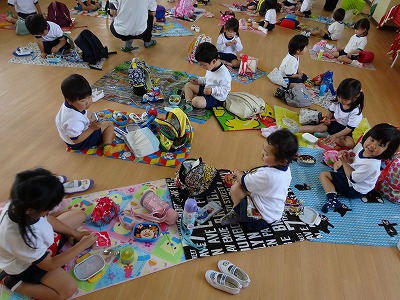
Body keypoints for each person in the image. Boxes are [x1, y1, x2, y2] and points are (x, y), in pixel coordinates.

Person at [0, 168, 97, 300]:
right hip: (25, 265)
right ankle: (11, 282)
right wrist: (81, 246)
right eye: (48, 209)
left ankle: (59, 240)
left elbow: (47, 219)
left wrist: (74, 233)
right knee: (68, 289)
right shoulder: (24, 239)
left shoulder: (19, 204)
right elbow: (50, 264)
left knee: (79, 214)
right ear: (32, 210)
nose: (49, 212)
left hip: (40, 249)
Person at [221, 129, 299, 231]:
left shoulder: (268, 175)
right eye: (263, 149)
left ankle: (238, 214)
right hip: (274, 213)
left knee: (236, 188)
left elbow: (244, 181)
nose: (262, 154)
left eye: (266, 154)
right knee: (246, 187)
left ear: (282, 161)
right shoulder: (286, 169)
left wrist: (238, 172)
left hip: (258, 221)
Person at [320, 123, 400, 213]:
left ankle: (333, 199)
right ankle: (335, 185)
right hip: (355, 175)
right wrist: (348, 158)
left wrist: (344, 162)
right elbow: (355, 161)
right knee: (337, 164)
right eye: (372, 140)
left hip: (354, 189)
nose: (372, 146)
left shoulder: (371, 165)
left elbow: (353, 179)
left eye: (380, 145)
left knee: (324, 175)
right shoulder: (365, 150)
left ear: (387, 150)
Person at [55, 74, 125, 156]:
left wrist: (88, 117)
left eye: (89, 97)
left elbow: (83, 114)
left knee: (91, 113)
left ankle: (101, 135)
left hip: (69, 135)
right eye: (83, 100)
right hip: (79, 143)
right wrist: (92, 128)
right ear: (70, 100)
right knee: (109, 125)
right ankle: (107, 147)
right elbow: (76, 140)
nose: (89, 102)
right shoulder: (73, 120)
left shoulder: (68, 104)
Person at [296, 78, 364, 149]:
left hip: (344, 131)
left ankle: (326, 136)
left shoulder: (356, 112)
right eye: (339, 97)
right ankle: (296, 129)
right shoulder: (337, 102)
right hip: (333, 123)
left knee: (350, 144)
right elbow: (329, 115)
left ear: (355, 98)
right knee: (319, 128)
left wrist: (335, 136)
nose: (340, 100)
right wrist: (326, 120)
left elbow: (348, 129)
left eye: (345, 100)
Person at [184, 42, 232, 109]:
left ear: (214, 61)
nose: (202, 67)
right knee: (188, 85)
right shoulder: (211, 66)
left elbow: (225, 90)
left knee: (196, 101)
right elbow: (208, 79)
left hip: (215, 98)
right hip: (206, 90)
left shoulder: (224, 74)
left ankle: (194, 100)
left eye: (204, 65)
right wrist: (199, 81)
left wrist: (212, 90)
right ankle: (189, 103)